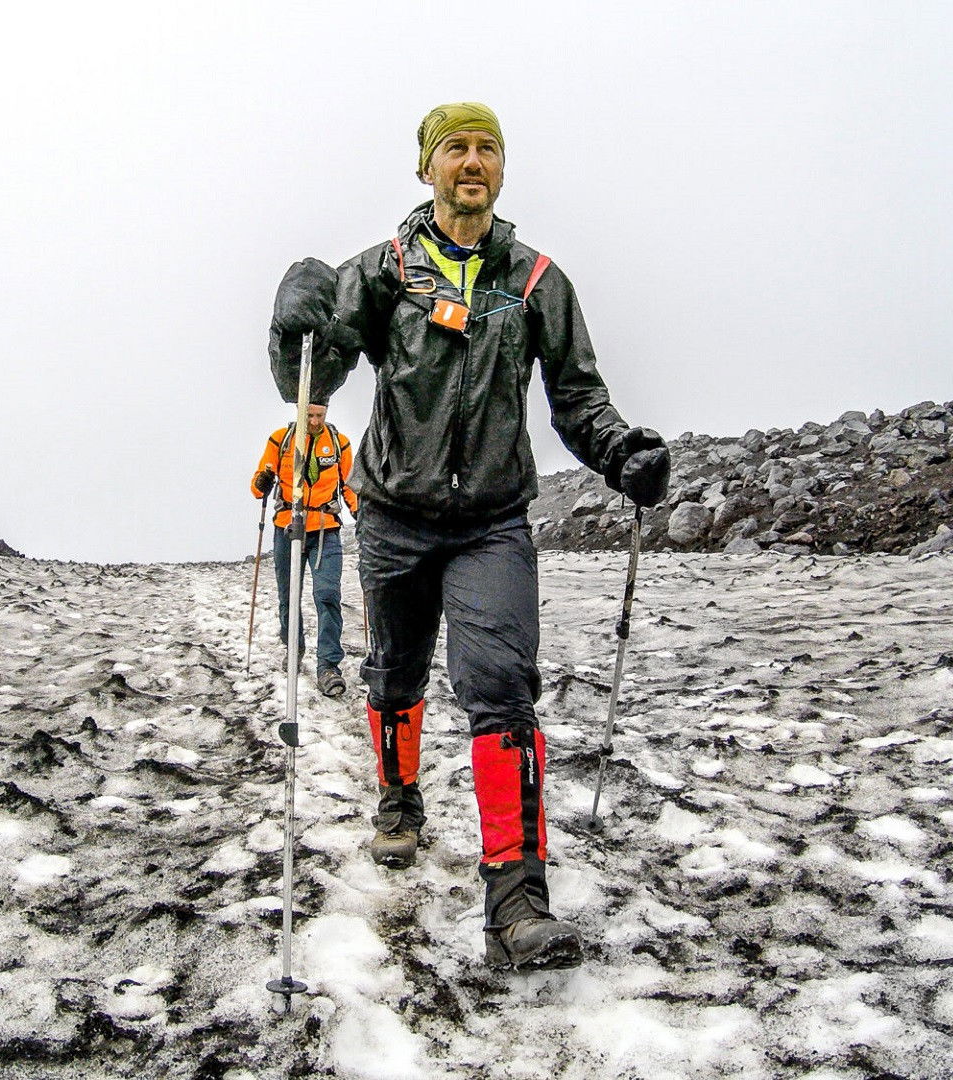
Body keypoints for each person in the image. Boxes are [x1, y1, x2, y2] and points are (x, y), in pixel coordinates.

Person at [265, 102, 672, 971]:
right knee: (396, 671)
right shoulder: (380, 274)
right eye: (456, 147)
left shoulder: (535, 282)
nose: (473, 161)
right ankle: (400, 798)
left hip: (491, 521)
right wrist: (294, 322)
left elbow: (578, 399)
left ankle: (517, 900)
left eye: (488, 147)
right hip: (393, 517)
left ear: (501, 168)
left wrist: (620, 452)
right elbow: (315, 374)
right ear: (427, 168)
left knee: (499, 685)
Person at [252, 403, 358, 696]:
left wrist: (361, 511)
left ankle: (328, 666)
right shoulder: (280, 439)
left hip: (326, 529)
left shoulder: (339, 443)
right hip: (288, 527)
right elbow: (259, 485)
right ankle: (294, 648)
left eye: (319, 416)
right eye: (309, 416)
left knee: (327, 595)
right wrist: (262, 482)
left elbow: (349, 484)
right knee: (289, 595)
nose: (314, 421)